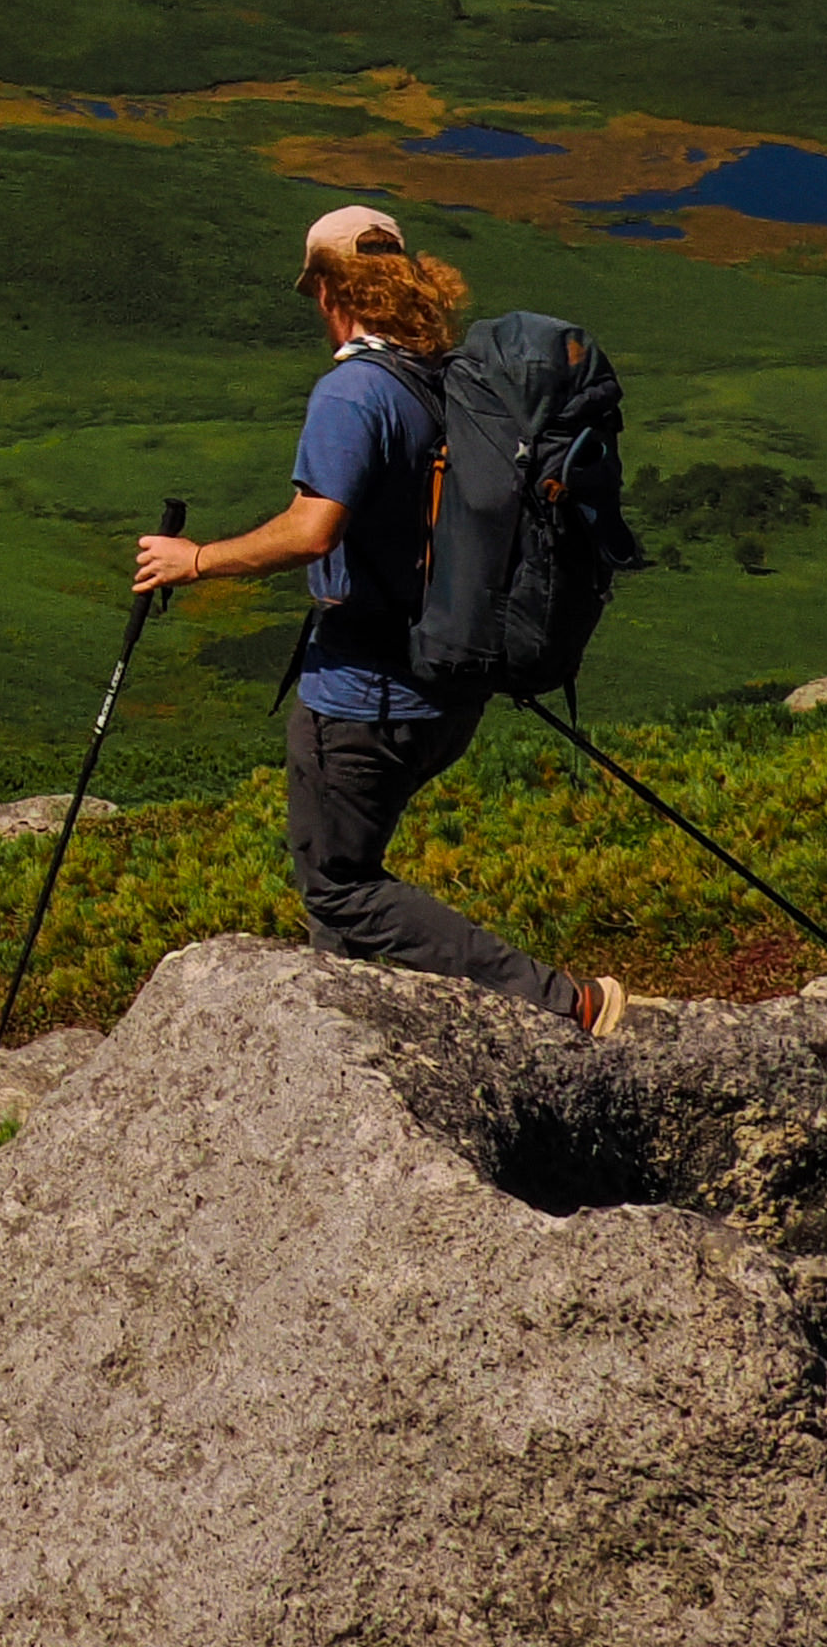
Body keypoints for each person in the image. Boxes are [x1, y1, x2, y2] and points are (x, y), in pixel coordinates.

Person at [130, 201, 625, 1038]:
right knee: (341, 896)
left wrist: (198, 559)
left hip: (364, 699)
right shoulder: (453, 383)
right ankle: (340, 1056)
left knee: (341, 888)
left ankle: (563, 1004)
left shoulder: (355, 388)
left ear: (329, 291)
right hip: (448, 688)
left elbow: (314, 528)